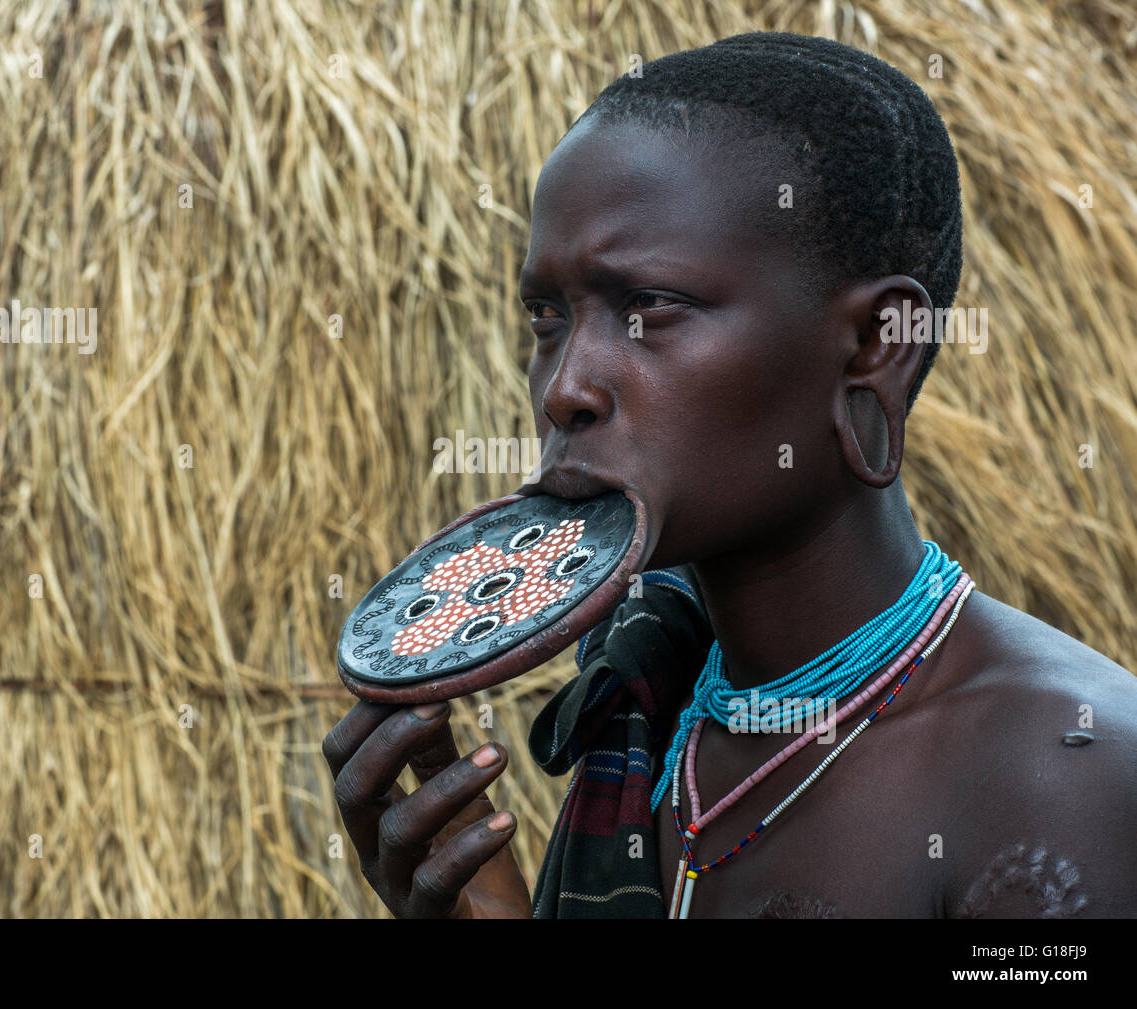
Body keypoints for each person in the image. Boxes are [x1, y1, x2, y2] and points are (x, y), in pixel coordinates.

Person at [322, 32, 1137, 918]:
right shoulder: (648, 721)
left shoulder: (1063, 774)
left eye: (649, 307)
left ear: (874, 345)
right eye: (548, 316)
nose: (565, 390)